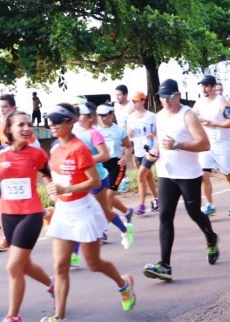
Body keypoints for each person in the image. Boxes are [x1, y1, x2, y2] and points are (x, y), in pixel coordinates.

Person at [43, 103, 136, 321]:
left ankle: (124, 284)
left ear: (70, 122)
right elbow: (55, 177)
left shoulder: (80, 148)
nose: (52, 124)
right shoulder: (55, 149)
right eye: (50, 120)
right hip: (63, 211)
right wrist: (53, 190)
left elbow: (94, 181)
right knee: (59, 266)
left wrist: (67, 189)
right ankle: (59, 316)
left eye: (58, 120)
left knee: (94, 264)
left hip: (83, 210)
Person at [143, 79, 220, 281]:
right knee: (165, 216)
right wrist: (153, 153)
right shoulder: (159, 116)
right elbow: (161, 140)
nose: (165, 100)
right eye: (162, 97)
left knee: (194, 212)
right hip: (167, 173)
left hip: (188, 175)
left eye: (169, 96)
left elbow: (204, 144)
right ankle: (165, 265)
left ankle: (211, 238)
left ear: (177, 95)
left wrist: (178, 145)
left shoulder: (188, 115)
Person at [0, 111, 53, 322]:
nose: (26, 128)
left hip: (30, 214)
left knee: (13, 266)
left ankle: (13, 316)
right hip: (8, 215)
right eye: (20, 125)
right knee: (23, 265)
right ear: (9, 130)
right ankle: (52, 285)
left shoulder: (37, 153)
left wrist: (51, 188)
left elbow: (48, 174)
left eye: (29, 124)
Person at [72, 101, 133, 258]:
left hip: (97, 178)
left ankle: (125, 230)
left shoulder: (94, 133)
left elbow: (104, 155)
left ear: (89, 118)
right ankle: (74, 254)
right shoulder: (77, 133)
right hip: (82, 178)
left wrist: (86, 161)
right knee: (82, 214)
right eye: (77, 115)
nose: (78, 118)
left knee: (104, 211)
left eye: (82, 115)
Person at [0, 94, 41, 253]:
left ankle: (44, 213)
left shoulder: (24, 126)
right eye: (0, 107)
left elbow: (37, 149)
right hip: (7, 169)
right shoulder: (1, 124)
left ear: (13, 108)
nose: (2, 109)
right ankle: (7, 236)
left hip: (24, 172)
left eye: (5, 107)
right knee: (1, 204)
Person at [192, 75, 230, 216]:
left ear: (213, 87)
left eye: (207, 86)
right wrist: (197, 119)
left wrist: (213, 123)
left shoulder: (221, 102)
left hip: (222, 144)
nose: (204, 89)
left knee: (228, 175)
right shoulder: (199, 102)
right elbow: (191, 116)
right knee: (203, 175)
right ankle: (209, 205)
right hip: (206, 145)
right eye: (202, 86)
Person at [96, 104, 135, 224]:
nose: (102, 118)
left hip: (117, 165)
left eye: (104, 115)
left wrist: (125, 157)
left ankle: (104, 229)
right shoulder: (95, 131)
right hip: (102, 166)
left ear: (111, 115)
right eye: (99, 115)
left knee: (107, 196)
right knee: (105, 196)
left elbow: (129, 147)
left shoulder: (119, 131)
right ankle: (127, 211)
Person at [126, 91, 159, 215]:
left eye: (136, 101)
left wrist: (153, 134)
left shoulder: (152, 116)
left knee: (140, 177)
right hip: (138, 150)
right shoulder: (130, 117)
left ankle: (141, 204)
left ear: (143, 101)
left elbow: (159, 130)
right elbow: (130, 134)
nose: (134, 103)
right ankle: (156, 199)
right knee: (148, 176)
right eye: (132, 101)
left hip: (150, 150)